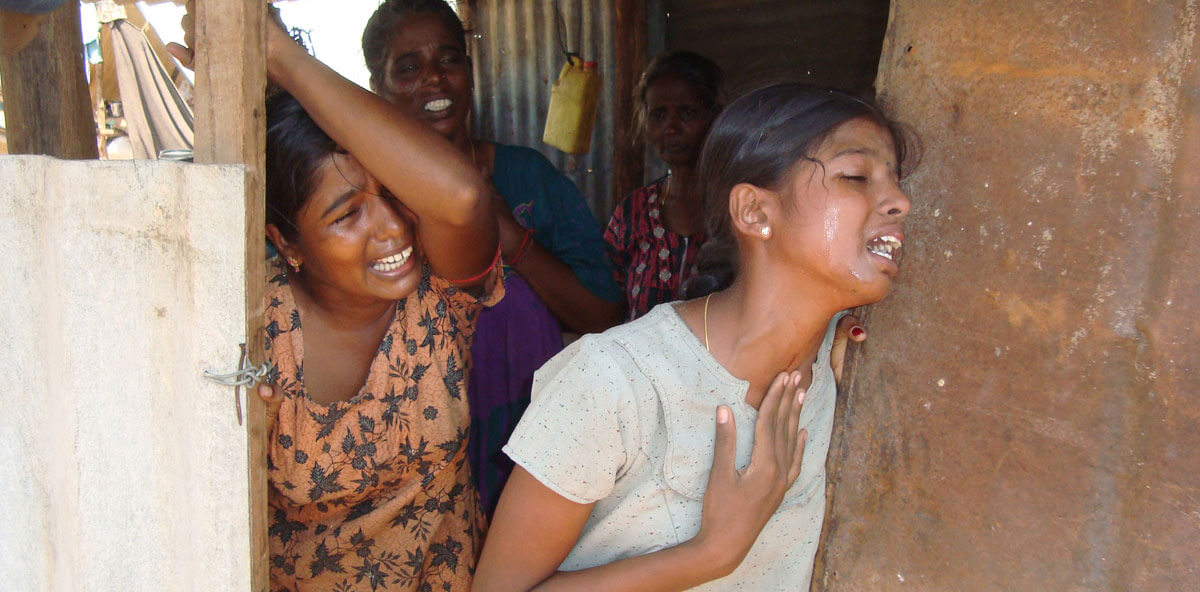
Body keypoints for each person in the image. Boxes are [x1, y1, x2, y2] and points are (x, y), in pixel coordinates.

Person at [473, 83, 913, 591]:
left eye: (895, 180)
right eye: (856, 176)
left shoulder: (839, 365)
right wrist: (710, 554)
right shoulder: (613, 382)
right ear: (754, 212)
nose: (899, 201)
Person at [175, 13, 503, 590]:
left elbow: (460, 195)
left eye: (394, 194)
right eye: (348, 215)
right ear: (287, 243)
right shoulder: (255, 325)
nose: (393, 230)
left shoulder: (440, 295)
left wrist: (279, 54)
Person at [360, 0, 624, 517]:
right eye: (409, 67)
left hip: (527, 463)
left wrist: (512, 239)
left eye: (449, 60)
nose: (435, 80)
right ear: (378, 89)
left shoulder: (527, 180)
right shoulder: (364, 199)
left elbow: (604, 314)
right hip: (409, 477)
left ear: (470, 71)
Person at [604, 51, 722, 321]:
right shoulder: (632, 214)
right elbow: (605, 306)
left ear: (715, 117)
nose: (671, 127)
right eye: (658, 115)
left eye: (687, 113)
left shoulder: (736, 210)